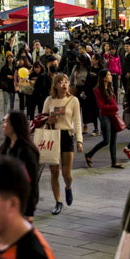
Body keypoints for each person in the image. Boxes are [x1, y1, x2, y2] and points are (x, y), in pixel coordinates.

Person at [43, 73, 83, 215]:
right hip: (52, 135)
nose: (64, 84)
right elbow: (42, 119)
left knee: (66, 173)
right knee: (54, 172)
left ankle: (68, 187)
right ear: (55, 85)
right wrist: (48, 120)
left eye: (66, 82)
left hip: (67, 135)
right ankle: (58, 201)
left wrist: (79, 140)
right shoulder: (49, 100)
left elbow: (77, 121)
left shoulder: (73, 100)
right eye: (60, 82)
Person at [1, 110, 40, 219]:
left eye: (5, 122)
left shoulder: (26, 151)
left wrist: (29, 212)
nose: (2, 125)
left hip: (19, 205)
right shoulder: (4, 148)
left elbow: (32, 182)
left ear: (14, 125)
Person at [86, 69, 124, 169]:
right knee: (106, 140)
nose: (111, 76)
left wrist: (115, 111)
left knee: (113, 141)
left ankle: (114, 162)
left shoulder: (109, 88)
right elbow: (101, 106)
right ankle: (89, 154)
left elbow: (113, 102)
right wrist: (114, 108)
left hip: (113, 116)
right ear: (103, 78)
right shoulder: (97, 90)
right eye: (109, 75)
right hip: (104, 116)